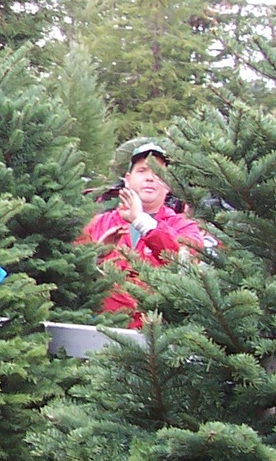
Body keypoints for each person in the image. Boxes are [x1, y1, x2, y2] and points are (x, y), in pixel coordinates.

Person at [80, 139, 205, 327]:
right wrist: (96, 255)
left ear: (169, 184)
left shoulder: (183, 226)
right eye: (142, 171)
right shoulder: (98, 224)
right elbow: (69, 272)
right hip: (102, 332)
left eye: (158, 173)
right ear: (128, 179)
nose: (150, 178)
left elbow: (186, 258)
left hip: (159, 337)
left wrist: (141, 221)